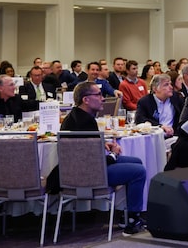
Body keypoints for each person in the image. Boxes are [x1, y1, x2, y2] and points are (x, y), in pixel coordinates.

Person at [60, 82, 147, 235]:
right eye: (98, 95)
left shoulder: (75, 117)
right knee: (138, 171)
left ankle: (126, 215)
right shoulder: (86, 122)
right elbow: (94, 162)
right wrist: (113, 154)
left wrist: (102, 144)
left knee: (136, 162)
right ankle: (133, 219)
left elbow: (86, 152)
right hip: (90, 174)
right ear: (86, 100)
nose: (103, 99)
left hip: (76, 171)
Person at [134, 74, 183, 138]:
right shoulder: (145, 101)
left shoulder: (176, 98)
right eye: (166, 85)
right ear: (155, 89)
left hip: (174, 136)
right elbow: (139, 119)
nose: (171, 87)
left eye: (170, 84)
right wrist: (160, 126)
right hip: (154, 137)